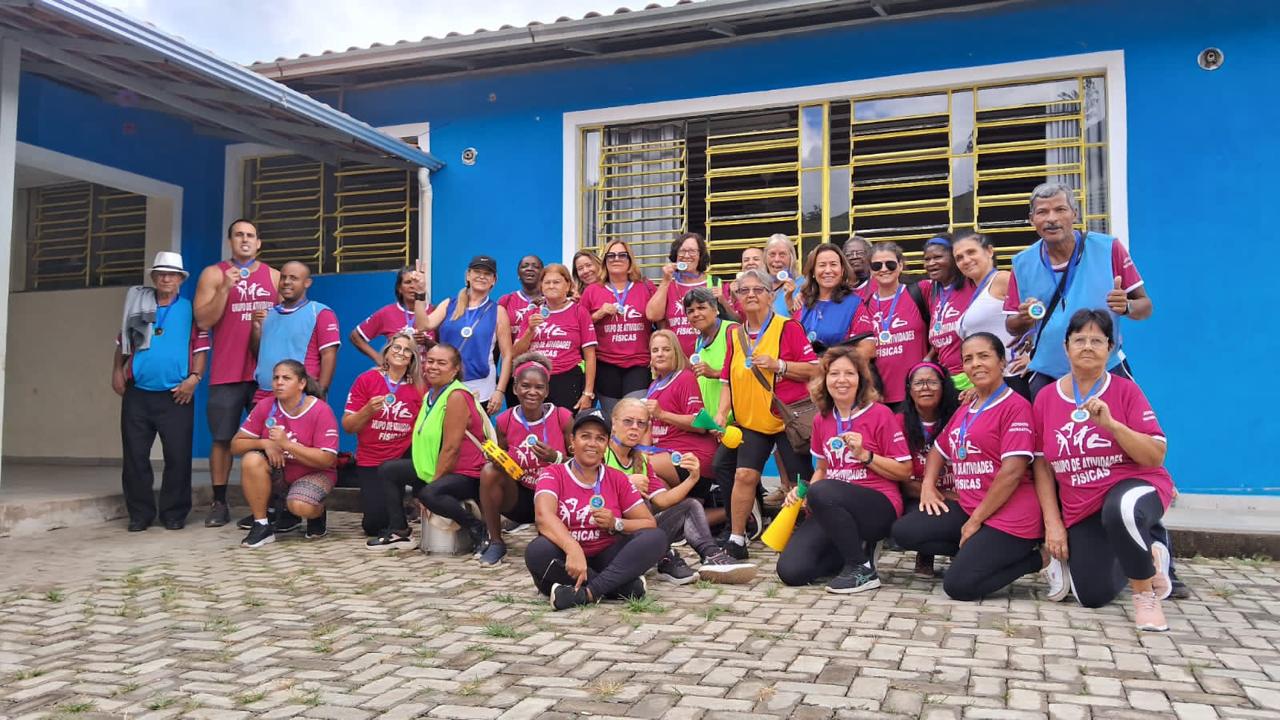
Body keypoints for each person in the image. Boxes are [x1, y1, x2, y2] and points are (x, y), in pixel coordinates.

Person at [1033, 310, 1176, 631]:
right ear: (1066, 347)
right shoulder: (1045, 398)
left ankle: (1145, 596)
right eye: (1079, 339)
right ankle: (1150, 556)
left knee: (1121, 509)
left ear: (1110, 348)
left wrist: (1113, 426)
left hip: (1135, 486)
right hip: (1082, 506)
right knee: (1091, 595)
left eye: (1097, 340)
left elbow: (1155, 456)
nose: (1087, 346)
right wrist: (1053, 523)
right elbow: (1042, 464)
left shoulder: (1125, 390)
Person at [891, 333, 1055, 601]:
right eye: (968, 359)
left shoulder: (1016, 407)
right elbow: (938, 450)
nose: (975, 364)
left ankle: (1038, 559)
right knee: (904, 531)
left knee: (959, 586)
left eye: (984, 356)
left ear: (1002, 362)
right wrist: (929, 486)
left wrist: (975, 522)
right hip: (971, 508)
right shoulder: (968, 407)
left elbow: (1012, 473)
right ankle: (977, 553)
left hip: (1009, 517)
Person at [776, 347, 912, 592]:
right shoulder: (821, 419)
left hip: (877, 506)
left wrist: (866, 456)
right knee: (791, 571)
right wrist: (802, 492)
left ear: (861, 378)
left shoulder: (880, 414)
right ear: (824, 379)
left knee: (823, 491)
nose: (841, 380)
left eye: (849, 373)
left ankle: (862, 569)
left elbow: (904, 471)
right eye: (834, 374)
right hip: (832, 507)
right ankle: (851, 552)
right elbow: (822, 469)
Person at [1004, 182, 1153, 399]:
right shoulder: (1022, 263)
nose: (1051, 218)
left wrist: (1127, 306)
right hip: (1048, 375)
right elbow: (1011, 326)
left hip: (1106, 370)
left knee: (1118, 431)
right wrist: (1024, 318)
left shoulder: (1108, 248)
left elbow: (1146, 306)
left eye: (1060, 210)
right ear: (1032, 219)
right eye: (1042, 212)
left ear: (1074, 214)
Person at [713, 268, 819, 560]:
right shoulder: (735, 334)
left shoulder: (789, 328)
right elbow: (726, 379)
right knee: (744, 475)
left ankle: (812, 536)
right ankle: (737, 540)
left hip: (788, 421)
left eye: (757, 290)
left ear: (770, 297)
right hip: (751, 421)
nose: (750, 295)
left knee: (802, 483)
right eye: (743, 291)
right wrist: (722, 413)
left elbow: (814, 368)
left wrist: (780, 365)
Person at [525, 408, 667, 610]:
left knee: (656, 537)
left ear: (606, 444)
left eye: (600, 438)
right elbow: (543, 516)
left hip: (607, 555)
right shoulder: (553, 473)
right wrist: (572, 547)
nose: (592, 443)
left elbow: (647, 523)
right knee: (537, 551)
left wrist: (615, 523)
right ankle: (621, 587)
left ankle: (587, 592)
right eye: (585, 436)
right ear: (572, 442)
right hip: (565, 557)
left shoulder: (616, 478)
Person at [608, 399, 757, 584]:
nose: (634, 428)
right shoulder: (600, 454)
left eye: (641, 423)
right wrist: (625, 484)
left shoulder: (642, 461)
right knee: (642, 503)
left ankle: (712, 556)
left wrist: (692, 478)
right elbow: (586, 501)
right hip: (610, 540)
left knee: (690, 505)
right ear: (613, 423)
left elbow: (662, 500)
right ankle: (665, 556)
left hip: (641, 535)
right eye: (628, 421)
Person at [112, 252, 209, 531]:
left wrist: (195, 378)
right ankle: (140, 514)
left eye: (172, 274)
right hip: (138, 393)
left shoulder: (190, 309)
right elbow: (122, 342)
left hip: (177, 394)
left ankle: (174, 514)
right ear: (153, 277)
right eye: (161, 273)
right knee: (135, 456)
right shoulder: (138, 304)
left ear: (180, 279)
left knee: (178, 457)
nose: (166, 278)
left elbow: (202, 348)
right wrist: (117, 371)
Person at [193, 219, 279, 527]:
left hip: (265, 376)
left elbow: (286, 323)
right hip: (227, 372)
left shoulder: (274, 276)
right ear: (230, 241)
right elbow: (203, 321)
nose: (245, 239)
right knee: (222, 439)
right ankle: (219, 502)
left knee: (268, 437)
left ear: (259, 243)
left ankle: (267, 505)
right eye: (239, 235)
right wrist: (226, 289)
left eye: (250, 236)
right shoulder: (214, 274)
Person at [373, 344, 494, 552]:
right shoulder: (431, 394)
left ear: (455, 369)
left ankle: (478, 529)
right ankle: (400, 531)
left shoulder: (456, 396)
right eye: (430, 361)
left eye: (441, 363)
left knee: (430, 494)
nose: (433, 367)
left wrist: (430, 486)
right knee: (388, 471)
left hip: (466, 473)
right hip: (436, 465)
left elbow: (451, 449)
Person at [476, 353, 573, 565]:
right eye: (525, 385)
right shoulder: (504, 420)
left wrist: (555, 457)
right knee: (489, 472)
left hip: (555, 499)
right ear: (515, 388)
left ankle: (553, 538)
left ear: (547, 391)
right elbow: (501, 461)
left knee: (545, 549)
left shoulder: (562, 417)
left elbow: (581, 467)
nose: (532, 392)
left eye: (539, 387)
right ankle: (495, 542)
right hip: (519, 497)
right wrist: (495, 458)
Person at [232, 360, 340, 547]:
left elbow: (327, 459)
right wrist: (265, 443)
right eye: (276, 378)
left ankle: (318, 512)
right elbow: (235, 446)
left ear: (301, 383)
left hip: (314, 473)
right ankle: (262, 525)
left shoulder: (320, 410)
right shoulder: (266, 406)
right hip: (280, 473)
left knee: (299, 506)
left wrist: (286, 445)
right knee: (251, 460)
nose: (279, 382)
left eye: (286, 378)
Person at [343, 331, 425, 541]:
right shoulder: (366, 379)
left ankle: (416, 503)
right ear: (387, 353)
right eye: (396, 347)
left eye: (408, 350)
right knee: (374, 525)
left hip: (404, 456)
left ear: (413, 358)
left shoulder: (420, 387)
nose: (401, 353)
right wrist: (367, 411)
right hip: (371, 459)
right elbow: (348, 426)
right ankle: (398, 507)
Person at [421, 255, 512, 416]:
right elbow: (424, 325)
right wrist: (419, 294)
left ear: (494, 280)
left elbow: (507, 355)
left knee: (474, 438)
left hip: (480, 387)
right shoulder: (449, 304)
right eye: (477, 271)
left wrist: (500, 391)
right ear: (468, 275)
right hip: (446, 381)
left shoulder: (498, 312)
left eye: (487, 274)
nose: (481, 276)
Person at [897, 361, 961, 578]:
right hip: (919, 495)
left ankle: (963, 550)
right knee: (917, 521)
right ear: (909, 389)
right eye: (919, 383)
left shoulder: (961, 415)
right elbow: (901, 480)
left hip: (962, 494)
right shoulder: (899, 422)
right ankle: (927, 552)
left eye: (932, 382)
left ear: (944, 386)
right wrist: (940, 494)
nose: (925, 387)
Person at [581, 241, 656, 415]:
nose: (616, 259)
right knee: (614, 420)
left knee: (635, 416)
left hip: (639, 362)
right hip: (606, 364)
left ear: (630, 260)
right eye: (611, 255)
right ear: (604, 261)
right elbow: (581, 329)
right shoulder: (592, 291)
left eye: (622, 255)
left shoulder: (645, 286)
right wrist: (598, 314)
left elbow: (659, 321)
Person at [512, 263, 598, 410]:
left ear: (568, 286)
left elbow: (590, 356)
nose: (551, 286)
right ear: (541, 286)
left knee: (565, 427)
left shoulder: (579, 312)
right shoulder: (532, 313)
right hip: (536, 379)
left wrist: (588, 393)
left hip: (568, 378)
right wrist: (530, 330)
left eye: (556, 282)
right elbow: (516, 352)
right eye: (547, 282)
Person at [643, 330, 718, 481]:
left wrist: (662, 414)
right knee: (649, 491)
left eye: (666, 349)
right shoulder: (653, 385)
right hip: (663, 453)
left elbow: (701, 425)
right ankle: (693, 504)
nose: (660, 354)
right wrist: (642, 451)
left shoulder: (685, 378)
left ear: (675, 353)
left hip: (690, 455)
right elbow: (650, 428)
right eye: (655, 350)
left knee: (637, 467)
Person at [866, 242, 928, 411]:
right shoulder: (865, 305)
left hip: (919, 393)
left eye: (890, 264)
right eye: (877, 265)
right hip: (880, 397)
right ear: (870, 270)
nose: (884, 269)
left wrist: (928, 360)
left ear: (900, 265)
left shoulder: (920, 292)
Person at [646, 232, 718, 356]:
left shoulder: (715, 283)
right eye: (682, 251)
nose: (686, 255)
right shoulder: (668, 284)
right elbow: (652, 315)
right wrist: (666, 280)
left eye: (692, 251)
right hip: (675, 360)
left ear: (700, 255)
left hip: (709, 356)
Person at [954, 231, 1015, 367]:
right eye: (959, 258)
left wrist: (1033, 357)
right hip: (990, 377)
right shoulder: (977, 292)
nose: (966, 260)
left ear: (989, 251)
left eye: (971, 252)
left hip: (1014, 374)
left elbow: (1038, 312)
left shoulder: (1002, 279)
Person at [350, 265, 434, 365]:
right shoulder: (388, 312)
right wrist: (378, 359)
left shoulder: (435, 312)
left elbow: (446, 348)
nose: (413, 286)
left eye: (416, 282)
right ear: (399, 288)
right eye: (408, 282)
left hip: (428, 377)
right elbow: (355, 336)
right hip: (396, 376)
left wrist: (428, 342)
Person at [797, 243, 870, 353]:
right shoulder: (802, 303)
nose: (828, 270)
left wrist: (831, 361)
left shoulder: (854, 304)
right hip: (804, 369)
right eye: (822, 265)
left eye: (833, 264)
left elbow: (868, 348)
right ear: (813, 272)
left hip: (836, 368)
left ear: (842, 270)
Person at [921, 236, 972, 377]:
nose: (931, 263)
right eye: (927, 259)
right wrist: (928, 358)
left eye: (938, 257)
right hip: (947, 378)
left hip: (972, 376)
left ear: (954, 258)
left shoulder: (972, 284)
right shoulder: (931, 291)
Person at [764, 234, 802, 317]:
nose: (776, 259)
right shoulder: (759, 285)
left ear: (791, 258)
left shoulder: (803, 285)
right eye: (772, 254)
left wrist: (790, 301)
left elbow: (803, 321)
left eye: (782, 255)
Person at [720, 247, 764, 317]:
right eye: (746, 260)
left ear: (765, 264)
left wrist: (739, 297)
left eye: (756, 259)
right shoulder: (727, 289)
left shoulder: (771, 286)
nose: (750, 262)